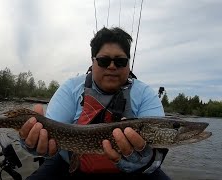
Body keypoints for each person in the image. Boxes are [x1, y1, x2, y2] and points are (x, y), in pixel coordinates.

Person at [19, 27, 171, 179]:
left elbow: (158, 151)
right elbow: (47, 134)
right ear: (93, 61)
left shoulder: (145, 94)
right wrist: (32, 144)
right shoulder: (71, 88)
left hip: (133, 171)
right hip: (69, 163)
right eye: (104, 61)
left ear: (128, 63)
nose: (112, 66)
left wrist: (147, 160)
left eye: (120, 61)